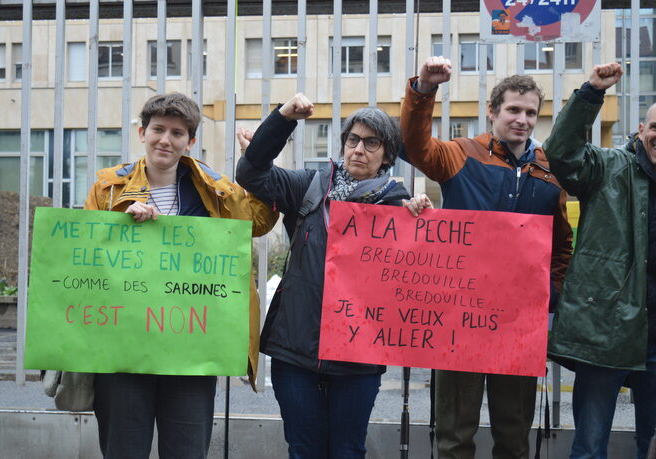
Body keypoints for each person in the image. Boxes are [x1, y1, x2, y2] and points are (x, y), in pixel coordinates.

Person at [235, 93, 430, 458]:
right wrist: (283, 119)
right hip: (296, 351)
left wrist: (416, 223)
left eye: (372, 142)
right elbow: (250, 172)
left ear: (387, 155)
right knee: (304, 449)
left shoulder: (397, 207)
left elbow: (412, 280)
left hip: (358, 357)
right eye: (352, 139)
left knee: (347, 451)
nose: (359, 149)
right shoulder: (309, 185)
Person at [83, 92, 277, 458]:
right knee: (123, 450)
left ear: (190, 141)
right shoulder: (108, 191)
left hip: (191, 354)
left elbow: (262, 221)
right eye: (158, 129)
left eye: (177, 132)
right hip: (122, 352)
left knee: (187, 451)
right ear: (142, 132)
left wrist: (257, 161)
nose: (165, 140)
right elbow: (85, 258)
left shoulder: (215, 191)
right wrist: (117, 224)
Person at [400, 56, 573, 459]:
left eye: (531, 112)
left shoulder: (549, 171)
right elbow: (414, 145)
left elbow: (562, 244)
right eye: (513, 109)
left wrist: (550, 292)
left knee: (514, 440)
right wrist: (423, 89)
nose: (523, 120)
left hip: (519, 325)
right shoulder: (462, 154)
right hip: (461, 319)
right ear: (493, 111)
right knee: (454, 438)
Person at [544, 62, 656, 459]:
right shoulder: (609, 168)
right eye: (655, 126)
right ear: (641, 131)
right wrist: (590, 93)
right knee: (589, 448)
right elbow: (560, 153)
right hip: (603, 332)